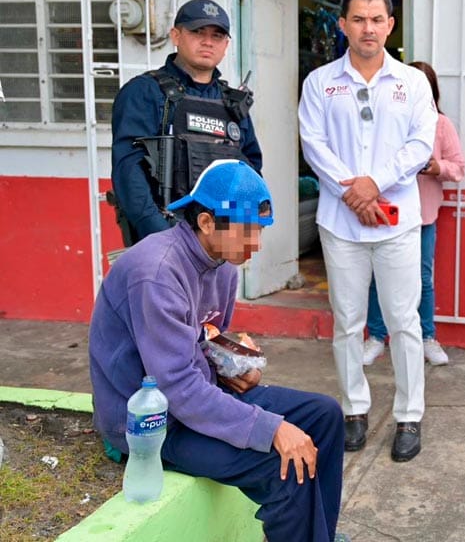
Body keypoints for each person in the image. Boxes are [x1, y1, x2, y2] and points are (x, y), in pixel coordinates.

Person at [89, 160, 346, 542]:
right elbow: (176, 387)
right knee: (285, 467)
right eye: (246, 232)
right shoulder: (157, 273)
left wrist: (235, 363)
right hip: (154, 423)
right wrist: (270, 427)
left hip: (198, 399)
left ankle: (316, 535)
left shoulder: (223, 264)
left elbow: (206, 338)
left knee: (325, 416)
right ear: (207, 222)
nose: (256, 245)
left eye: (259, 231)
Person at [298, 0, 438, 462]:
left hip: (397, 224)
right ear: (343, 25)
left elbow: (421, 144)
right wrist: (350, 191)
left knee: (403, 322)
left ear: (390, 25)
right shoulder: (320, 82)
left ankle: (408, 416)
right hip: (341, 224)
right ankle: (354, 410)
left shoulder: (412, 84)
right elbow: (314, 145)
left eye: (377, 20)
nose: (368, 29)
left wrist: (373, 183)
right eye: (358, 19)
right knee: (348, 322)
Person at [110, 0, 262, 246]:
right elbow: (129, 172)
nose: (207, 42)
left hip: (221, 241)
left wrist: (238, 231)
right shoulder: (145, 92)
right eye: (197, 32)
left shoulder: (232, 103)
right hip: (163, 238)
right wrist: (164, 237)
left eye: (217, 36)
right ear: (176, 35)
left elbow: (250, 170)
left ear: (226, 45)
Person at [363, 60, 465, 367]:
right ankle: (376, 338)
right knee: (376, 277)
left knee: (422, 277)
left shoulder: (441, 125)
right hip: (386, 213)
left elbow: (459, 167)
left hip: (423, 216)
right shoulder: (383, 120)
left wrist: (438, 167)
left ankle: (426, 337)